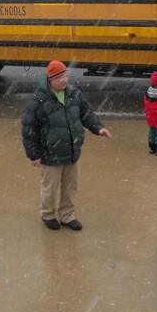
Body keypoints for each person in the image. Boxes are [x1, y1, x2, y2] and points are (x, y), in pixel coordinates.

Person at [21, 60, 112, 231]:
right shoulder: (38, 100)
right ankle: (47, 214)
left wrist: (98, 128)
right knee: (50, 187)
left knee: (71, 185)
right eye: (59, 77)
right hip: (51, 152)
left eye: (66, 76)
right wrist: (33, 154)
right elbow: (29, 128)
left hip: (72, 150)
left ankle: (67, 215)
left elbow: (87, 114)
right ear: (51, 79)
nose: (64, 80)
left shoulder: (74, 94)